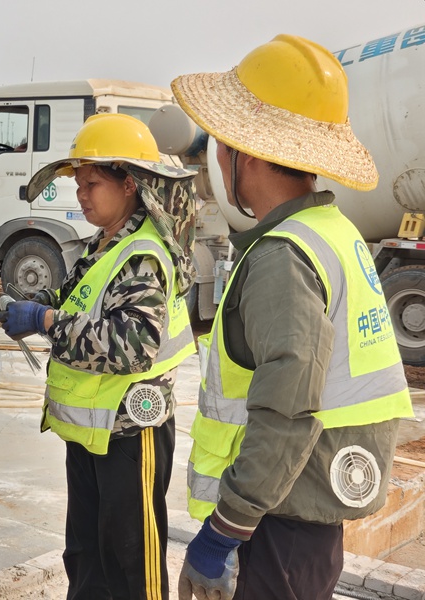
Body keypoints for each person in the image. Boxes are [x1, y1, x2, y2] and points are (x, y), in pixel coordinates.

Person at [169, 34, 415, 600]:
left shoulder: (284, 255)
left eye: (225, 146)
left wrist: (225, 529)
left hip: (276, 520)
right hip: (300, 510)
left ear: (247, 154)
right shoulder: (334, 231)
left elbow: (287, 408)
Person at [0, 112, 197, 599]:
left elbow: (129, 345)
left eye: (91, 183)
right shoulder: (101, 247)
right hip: (92, 432)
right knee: (86, 556)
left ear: (129, 184)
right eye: (78, 183)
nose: (81, 194)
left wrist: (44, 322)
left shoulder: (143, 255)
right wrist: (30, 308)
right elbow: (76, 307)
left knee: (132, 561)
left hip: (132, 431)